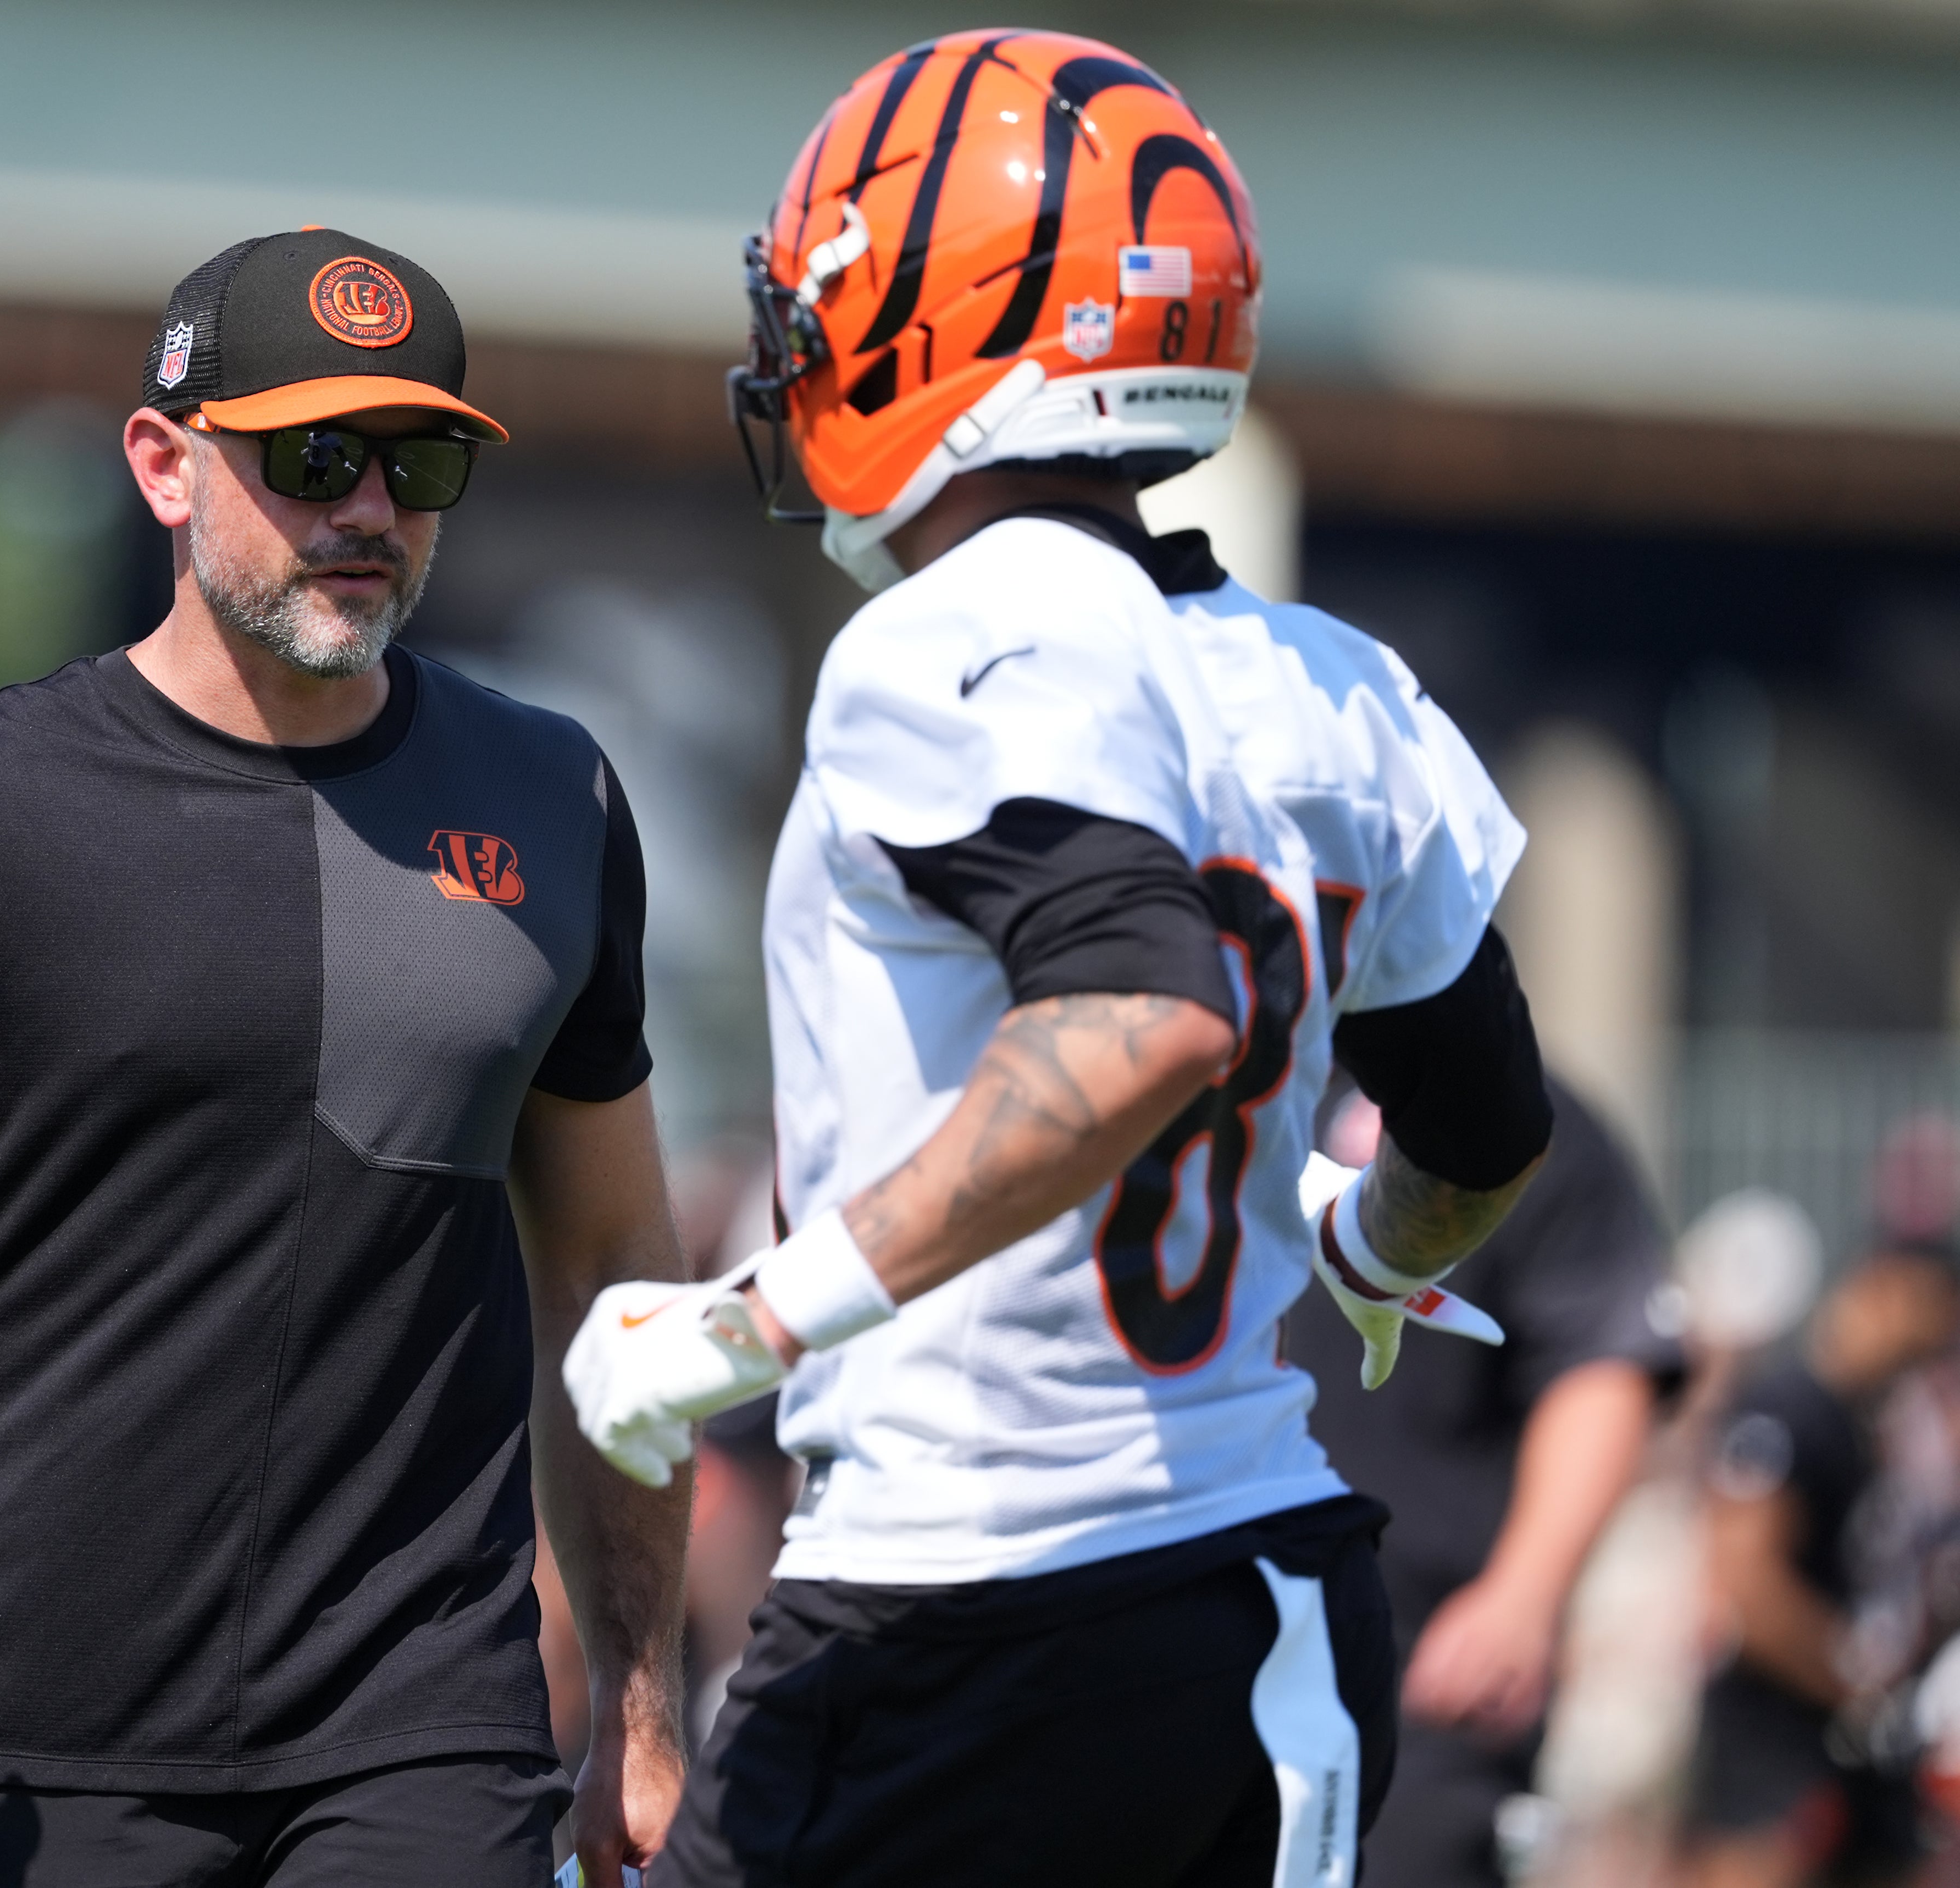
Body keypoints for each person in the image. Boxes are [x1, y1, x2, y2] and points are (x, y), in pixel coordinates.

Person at [0, 228, 689, 1888]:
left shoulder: (551, 795)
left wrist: (644, 1693)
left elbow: (610, 1263)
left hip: (420, 1726)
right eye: (314, 458)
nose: (369, 508)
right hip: (29, 1744)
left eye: (419, 460)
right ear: (165, 465)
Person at [558, 32, 1553, 1886]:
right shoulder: (1340, 687)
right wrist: (1355, 1239)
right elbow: (1485, 1127)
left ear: (941, 324)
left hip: (970, 1612)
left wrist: (737, 1326)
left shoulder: (961, 636)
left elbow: (1139, 1012)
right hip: (1273, 1601)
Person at [1286, 1077, 1680, 1886]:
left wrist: (1524, 1590)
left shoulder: (1510, 1101)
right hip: (1181, 1616)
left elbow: (1598, 1363)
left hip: (1415, 1659)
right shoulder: (1212, 1055)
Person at [1682, 1237, 1960, 1888]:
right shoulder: (1787, 1411)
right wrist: (1858, 1686)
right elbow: (1747, 1588)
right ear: (1887, 1291)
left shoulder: (1874, 1421)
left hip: (1849, 1745)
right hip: (1772, 1740)